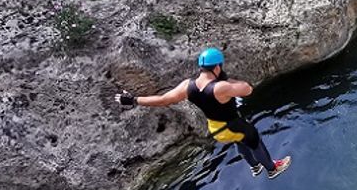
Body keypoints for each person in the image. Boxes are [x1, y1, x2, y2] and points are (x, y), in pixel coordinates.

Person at [116, 47, 291, 179]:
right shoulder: (220, 87)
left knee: (240, 139)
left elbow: (163, 100)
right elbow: (247, 90)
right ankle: (272, 169)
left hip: (216, 129)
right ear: (217, 67)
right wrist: (227, 79)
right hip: (230, 125)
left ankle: (254, 166)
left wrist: (134, 100)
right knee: (253, 138)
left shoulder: (187, 86)